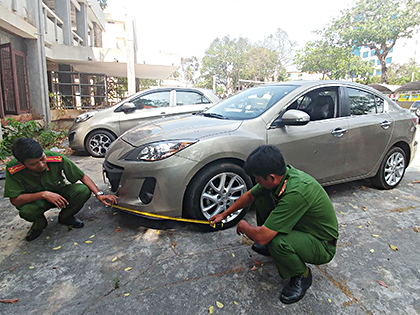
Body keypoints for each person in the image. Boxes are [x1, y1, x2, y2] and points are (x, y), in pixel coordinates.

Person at [209, 145, 338, 304]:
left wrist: (243, 225)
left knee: (277, 242)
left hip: (322, 244)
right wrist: (224, 214)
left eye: (257, 178)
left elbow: (261, 238)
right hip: (302, 229)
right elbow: (250, 195)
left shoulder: (296, 191)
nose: (255, 181)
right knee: (262, 197)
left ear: (271, 177)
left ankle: (301, 276)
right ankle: (275, 246)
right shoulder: (281, 177)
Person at [3, 138, 118, 242]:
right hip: (36, 201)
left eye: (42, 158)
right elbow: (15, 200)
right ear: (21, 163)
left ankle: (66, 217)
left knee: (82, 190)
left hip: (60, 193)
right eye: (33, 164)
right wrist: (44, 194)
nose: (41, 165)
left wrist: (99, 194)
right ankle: (39, 224)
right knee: (27, 211)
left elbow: (81, 176)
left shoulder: (55, 157)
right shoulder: (13, 169)